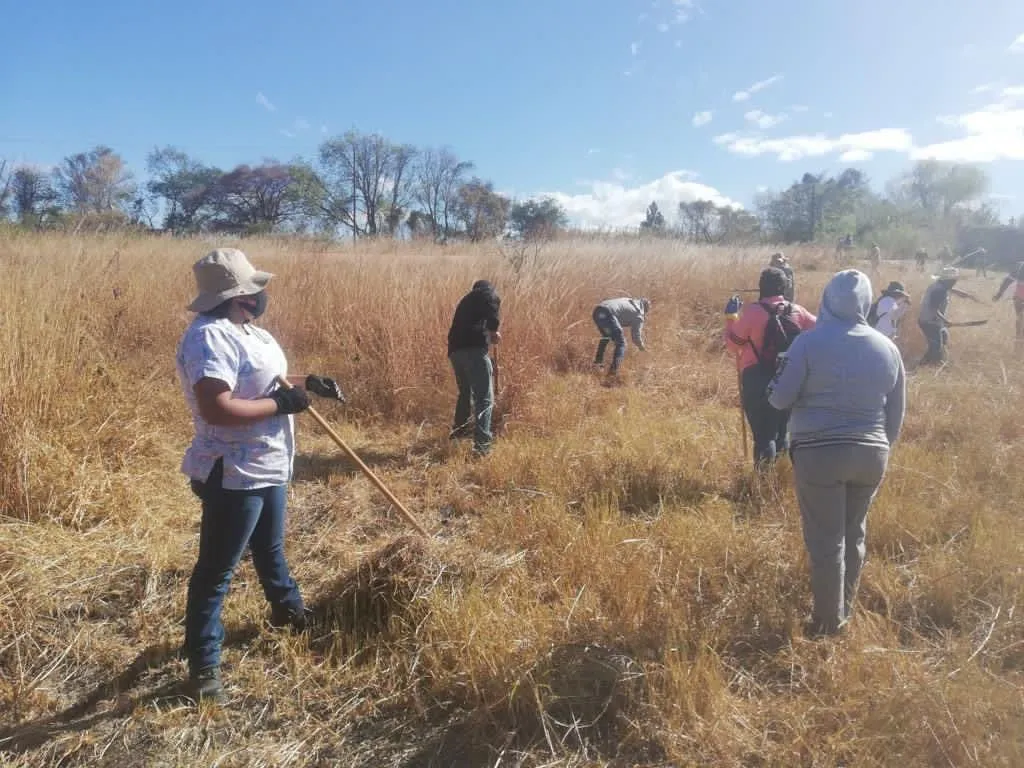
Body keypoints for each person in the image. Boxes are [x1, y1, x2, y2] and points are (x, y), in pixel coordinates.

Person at [177, 248, 346, 701]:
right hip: (233, 469)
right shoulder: (208, 337)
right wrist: (280, 405)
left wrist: (306, 383)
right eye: (254, 287)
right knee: (217, 570)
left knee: (270, 548)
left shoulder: (247, 330)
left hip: (269, 461)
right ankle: (204, 665)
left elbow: (266, 377)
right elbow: (217, 406)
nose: (261, 293)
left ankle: (289, 613)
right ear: (237, 295)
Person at [768, 270, 905, 637]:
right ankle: (844, 607)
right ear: (865, 302)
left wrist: (772, 384)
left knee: (827, 540)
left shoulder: (808, 344)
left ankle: (829, 624)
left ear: (828, 300)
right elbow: (896, 414)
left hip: (819, 452)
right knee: (853, 533)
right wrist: (880, 449)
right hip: (872, 451)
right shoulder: (887, 347)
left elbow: (780, 398)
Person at [725, 268, 816, 466]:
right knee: (782, 431)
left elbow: (733, 345)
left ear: (760, 287)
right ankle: (781, 479)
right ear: (785, 288)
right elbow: (820, 333)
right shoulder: (798, 311)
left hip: (757, 378)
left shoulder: (752, 312)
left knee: (764, 436)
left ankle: (764, 485)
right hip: (789, 377)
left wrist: (731, 317)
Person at [448, 279, 501, 456]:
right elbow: (493, 316)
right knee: (484, 399)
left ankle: (457, 437)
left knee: (465, 394)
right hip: (474, 352)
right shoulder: (487, 293)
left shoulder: (465, 301)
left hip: (455, 353)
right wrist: (494, 333)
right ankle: (482, 447)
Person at [918, 267, 974, 365]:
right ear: (948, 280)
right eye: (954, 280)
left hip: (932, 321)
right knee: (936, 348)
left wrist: (967, 295)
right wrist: (946, 321)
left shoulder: (940, 286)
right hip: (929, 322)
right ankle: (927, 366)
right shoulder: (940, 291)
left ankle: (929, 362)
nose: (955, 282)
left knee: (942, 338)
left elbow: (952, 290)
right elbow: (933, 308)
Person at [592, 296, 650, 381]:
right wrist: (642, 348)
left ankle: (598, 363)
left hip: (598, 311)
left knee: (606, 336)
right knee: (621, 344)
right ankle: (613, 373)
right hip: (608, 313)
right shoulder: (639, 314)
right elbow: (636, 337)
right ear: (645, 309)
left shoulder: (629, 300)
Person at [993, 261, 1024, 341]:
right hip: (1020, 292)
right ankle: (1019, 337)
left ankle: (1019, 337)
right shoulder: (1020, 265)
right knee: (1019, 316)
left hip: (1020, 292)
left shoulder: (1020, 265)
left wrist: (998, 295)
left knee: (1019, 316)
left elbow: (1007, 280)